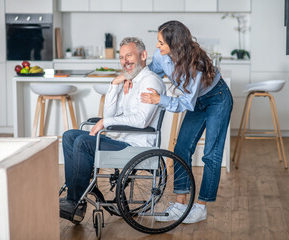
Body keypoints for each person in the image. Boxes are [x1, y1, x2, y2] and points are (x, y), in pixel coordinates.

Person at [59, 37, 166, 223]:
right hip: (120, 140)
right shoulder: (130, 81)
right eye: (122, 57)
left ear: (143, 55)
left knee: (83, 142)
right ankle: (78, 198)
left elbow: (141, 121)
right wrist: (115, 84)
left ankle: (74, 200)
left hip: (135, 146)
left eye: (129, 55)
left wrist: (105, 122)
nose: (125, 61)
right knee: (69, 136)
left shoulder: (150, 82)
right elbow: (109, 113)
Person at [140, 20, 233, 224]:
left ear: (175, 45)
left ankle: (201, 207)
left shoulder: (195, 64)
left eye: (161, 43)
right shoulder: (160, 57)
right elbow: (150, 72)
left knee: (211, 155)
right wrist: (130, 78)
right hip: (198, 101)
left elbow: (186, 103)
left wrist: (159, 100)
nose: (157, 46)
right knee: (181, 148)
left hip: (218, 98)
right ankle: (180, 204)